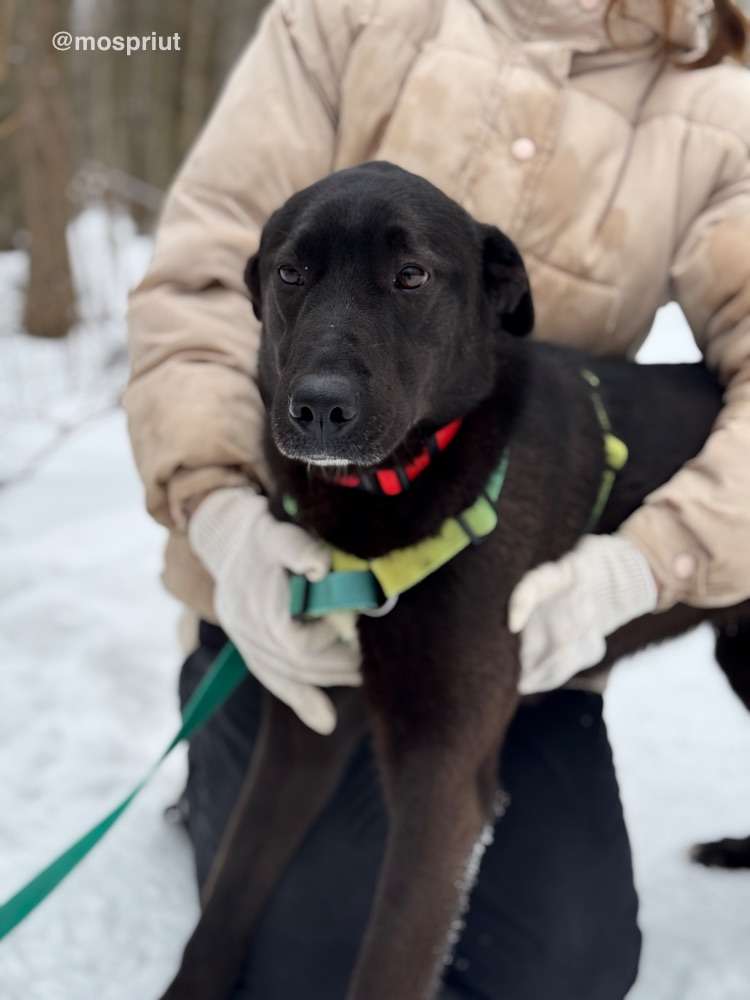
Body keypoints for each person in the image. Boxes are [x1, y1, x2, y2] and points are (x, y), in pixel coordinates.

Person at [124, 2, 750, 997]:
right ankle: (212, 780)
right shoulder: (346, 15)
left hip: (529, 592)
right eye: (296, 278)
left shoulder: (720, 101)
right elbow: (195, 283)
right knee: (298, 966)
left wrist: (653, 561)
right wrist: (220, 511)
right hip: (286, 571)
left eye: (408, 275)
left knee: (557, 965)